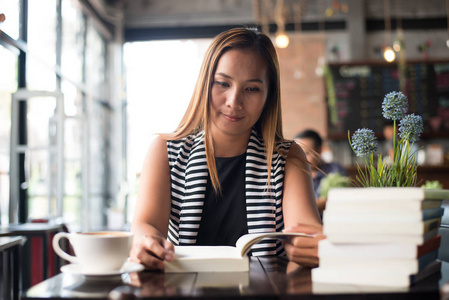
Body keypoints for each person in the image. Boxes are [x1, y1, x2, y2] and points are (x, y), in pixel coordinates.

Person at [130, 27, 324, 271]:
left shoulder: (287, 157)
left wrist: (311, 247)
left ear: (268, 96)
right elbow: (145, 225)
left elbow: (304, 231)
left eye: (252, 89)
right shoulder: (165, 151)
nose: (234, 101)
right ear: (204, 84)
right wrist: (145, 241)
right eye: (222, 83)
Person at [295, 129, 346, 212]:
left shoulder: (335, 170)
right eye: (297, 154)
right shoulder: (292, 175)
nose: (301, 158)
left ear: (319, 151)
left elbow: (336, 200)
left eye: (307, 153)